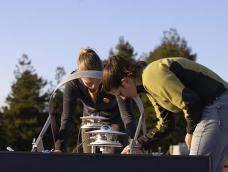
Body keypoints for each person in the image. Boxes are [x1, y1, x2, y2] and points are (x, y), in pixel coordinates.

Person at [102, 55, 228, 172]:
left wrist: (190, 132)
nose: (123, 98)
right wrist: (137, 145)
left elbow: (191, 101)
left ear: (125, 81)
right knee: (210, 168)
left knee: (196, 166)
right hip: (221, 105)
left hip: (218, 104)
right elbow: (166, 123)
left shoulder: (151, 76)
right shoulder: (149, 86)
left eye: (120, 93)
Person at [54, 49, 136, 153]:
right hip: (90, 122)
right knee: (90, 161)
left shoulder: (112, 77)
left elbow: (127, 115)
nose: (94, 86)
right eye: (89, 83)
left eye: (98, 80)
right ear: (80, 75)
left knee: (115, 158)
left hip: (115, 120)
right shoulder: (73, 83)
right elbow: (67, 118)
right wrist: (59, 148)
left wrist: (134, 144)